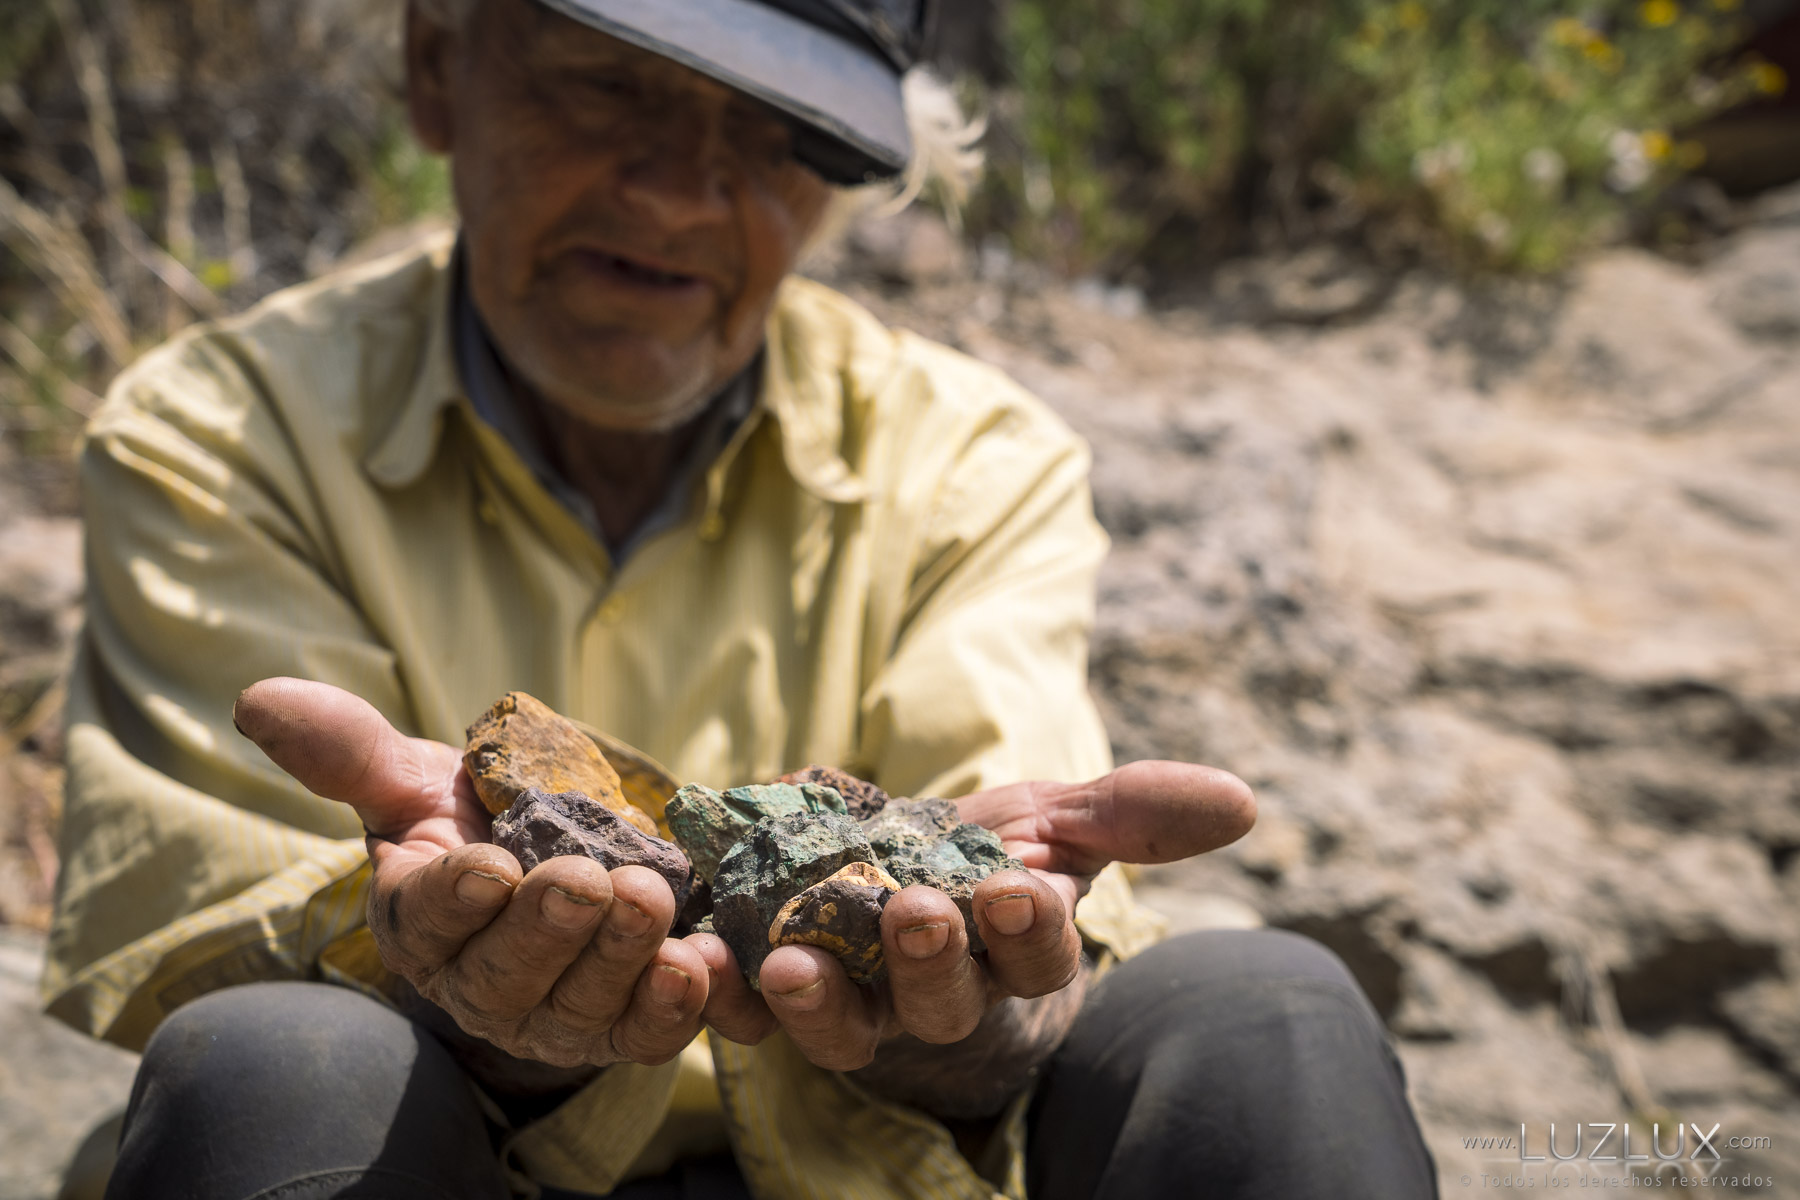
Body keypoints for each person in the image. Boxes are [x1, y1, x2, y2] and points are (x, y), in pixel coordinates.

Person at [44, 0, 1440, 1196]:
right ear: (433, 63)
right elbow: (220, 937)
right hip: (439, 1161)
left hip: (880, 1172)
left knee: (1268, 1011)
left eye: (772, 132)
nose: (677, 191)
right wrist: (455, 978)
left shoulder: (969, 459)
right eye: (605, 82)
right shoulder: (224, 433)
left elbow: (1031, 919)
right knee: (281, 1060)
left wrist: (971, 1001)